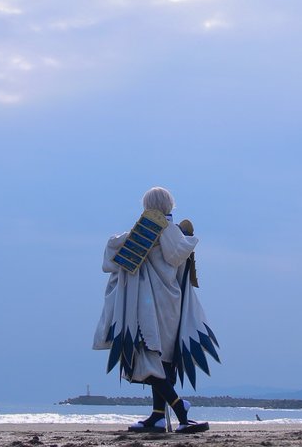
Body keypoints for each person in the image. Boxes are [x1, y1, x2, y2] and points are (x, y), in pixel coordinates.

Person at [93, 186, 219, 433]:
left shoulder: (148, 229)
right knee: (163, 360)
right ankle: (158, 416)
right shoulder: (177, 234)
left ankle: (180, 408)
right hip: (172, 304)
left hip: (148, 303)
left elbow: (114, 255)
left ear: (148, 206)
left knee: (147, 358)